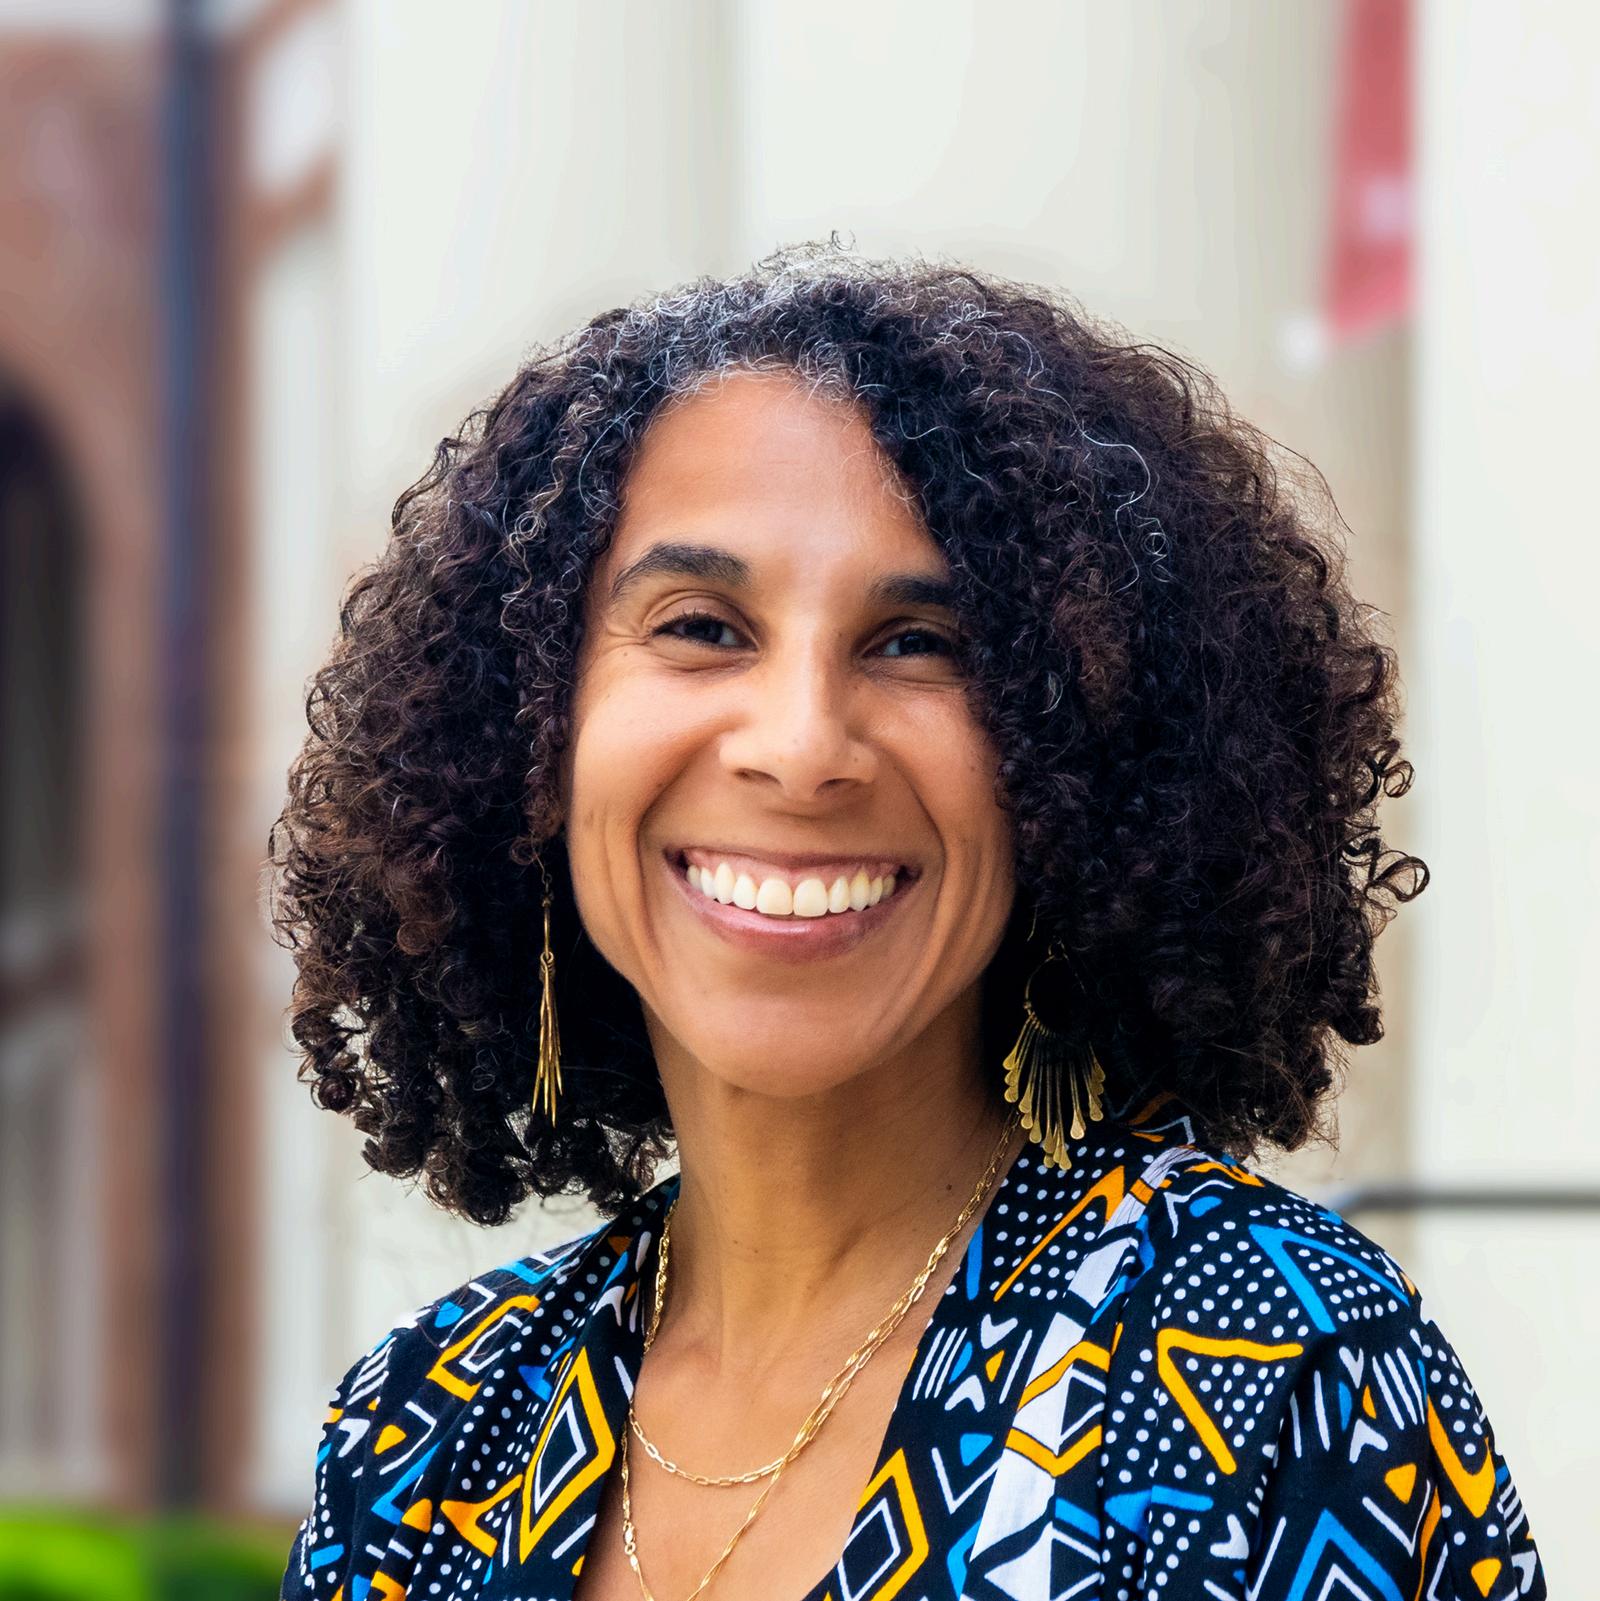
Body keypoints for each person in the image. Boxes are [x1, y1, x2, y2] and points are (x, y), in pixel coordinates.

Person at [270, 246, 1546, 1600]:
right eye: (702, 625)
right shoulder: (424, 1436)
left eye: (920, 643)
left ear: (1074, 760)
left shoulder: (1260, 1361)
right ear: (525, 733)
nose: (801, 746)